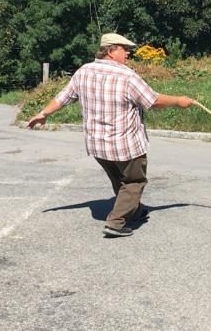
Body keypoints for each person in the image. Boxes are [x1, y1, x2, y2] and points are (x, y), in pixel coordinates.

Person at [26, 33, 195, 238]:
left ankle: (134, 211)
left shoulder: (84, 71)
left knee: (120, 180)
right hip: (126, 145)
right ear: (111, 51)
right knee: (134, 181)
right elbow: (153, 101)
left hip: (98, 146)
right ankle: (116, 222)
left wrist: (43, 113)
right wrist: (179, 101)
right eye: (125, 49)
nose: (128, 54)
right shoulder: (127, 76)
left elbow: (63, 97)